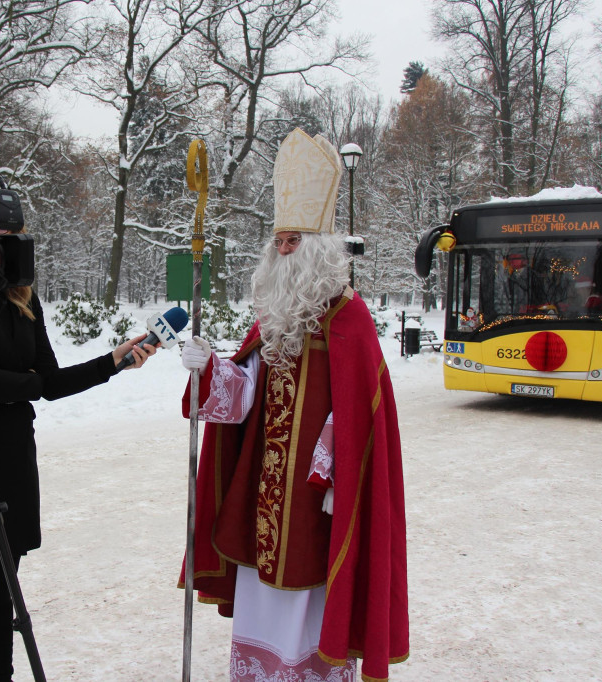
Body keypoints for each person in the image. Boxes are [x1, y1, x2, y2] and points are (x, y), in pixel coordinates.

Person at [178, 129, 409, 682]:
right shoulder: (272, 320)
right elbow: (245, 398)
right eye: (278, 241)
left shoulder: (350, 320)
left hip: (316, 502)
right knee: (262, 592)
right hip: (263, 494)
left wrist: (333, 471)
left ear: (321, 249)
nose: (283, 251)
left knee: (309, 600)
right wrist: (209, 368)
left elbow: (360, 414)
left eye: (294, 241)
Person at [0, 187, 156, 682]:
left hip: (9, 462)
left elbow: (47, 383)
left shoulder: (23, 304)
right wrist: (28, 386)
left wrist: (111, 362)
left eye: (4, 232)